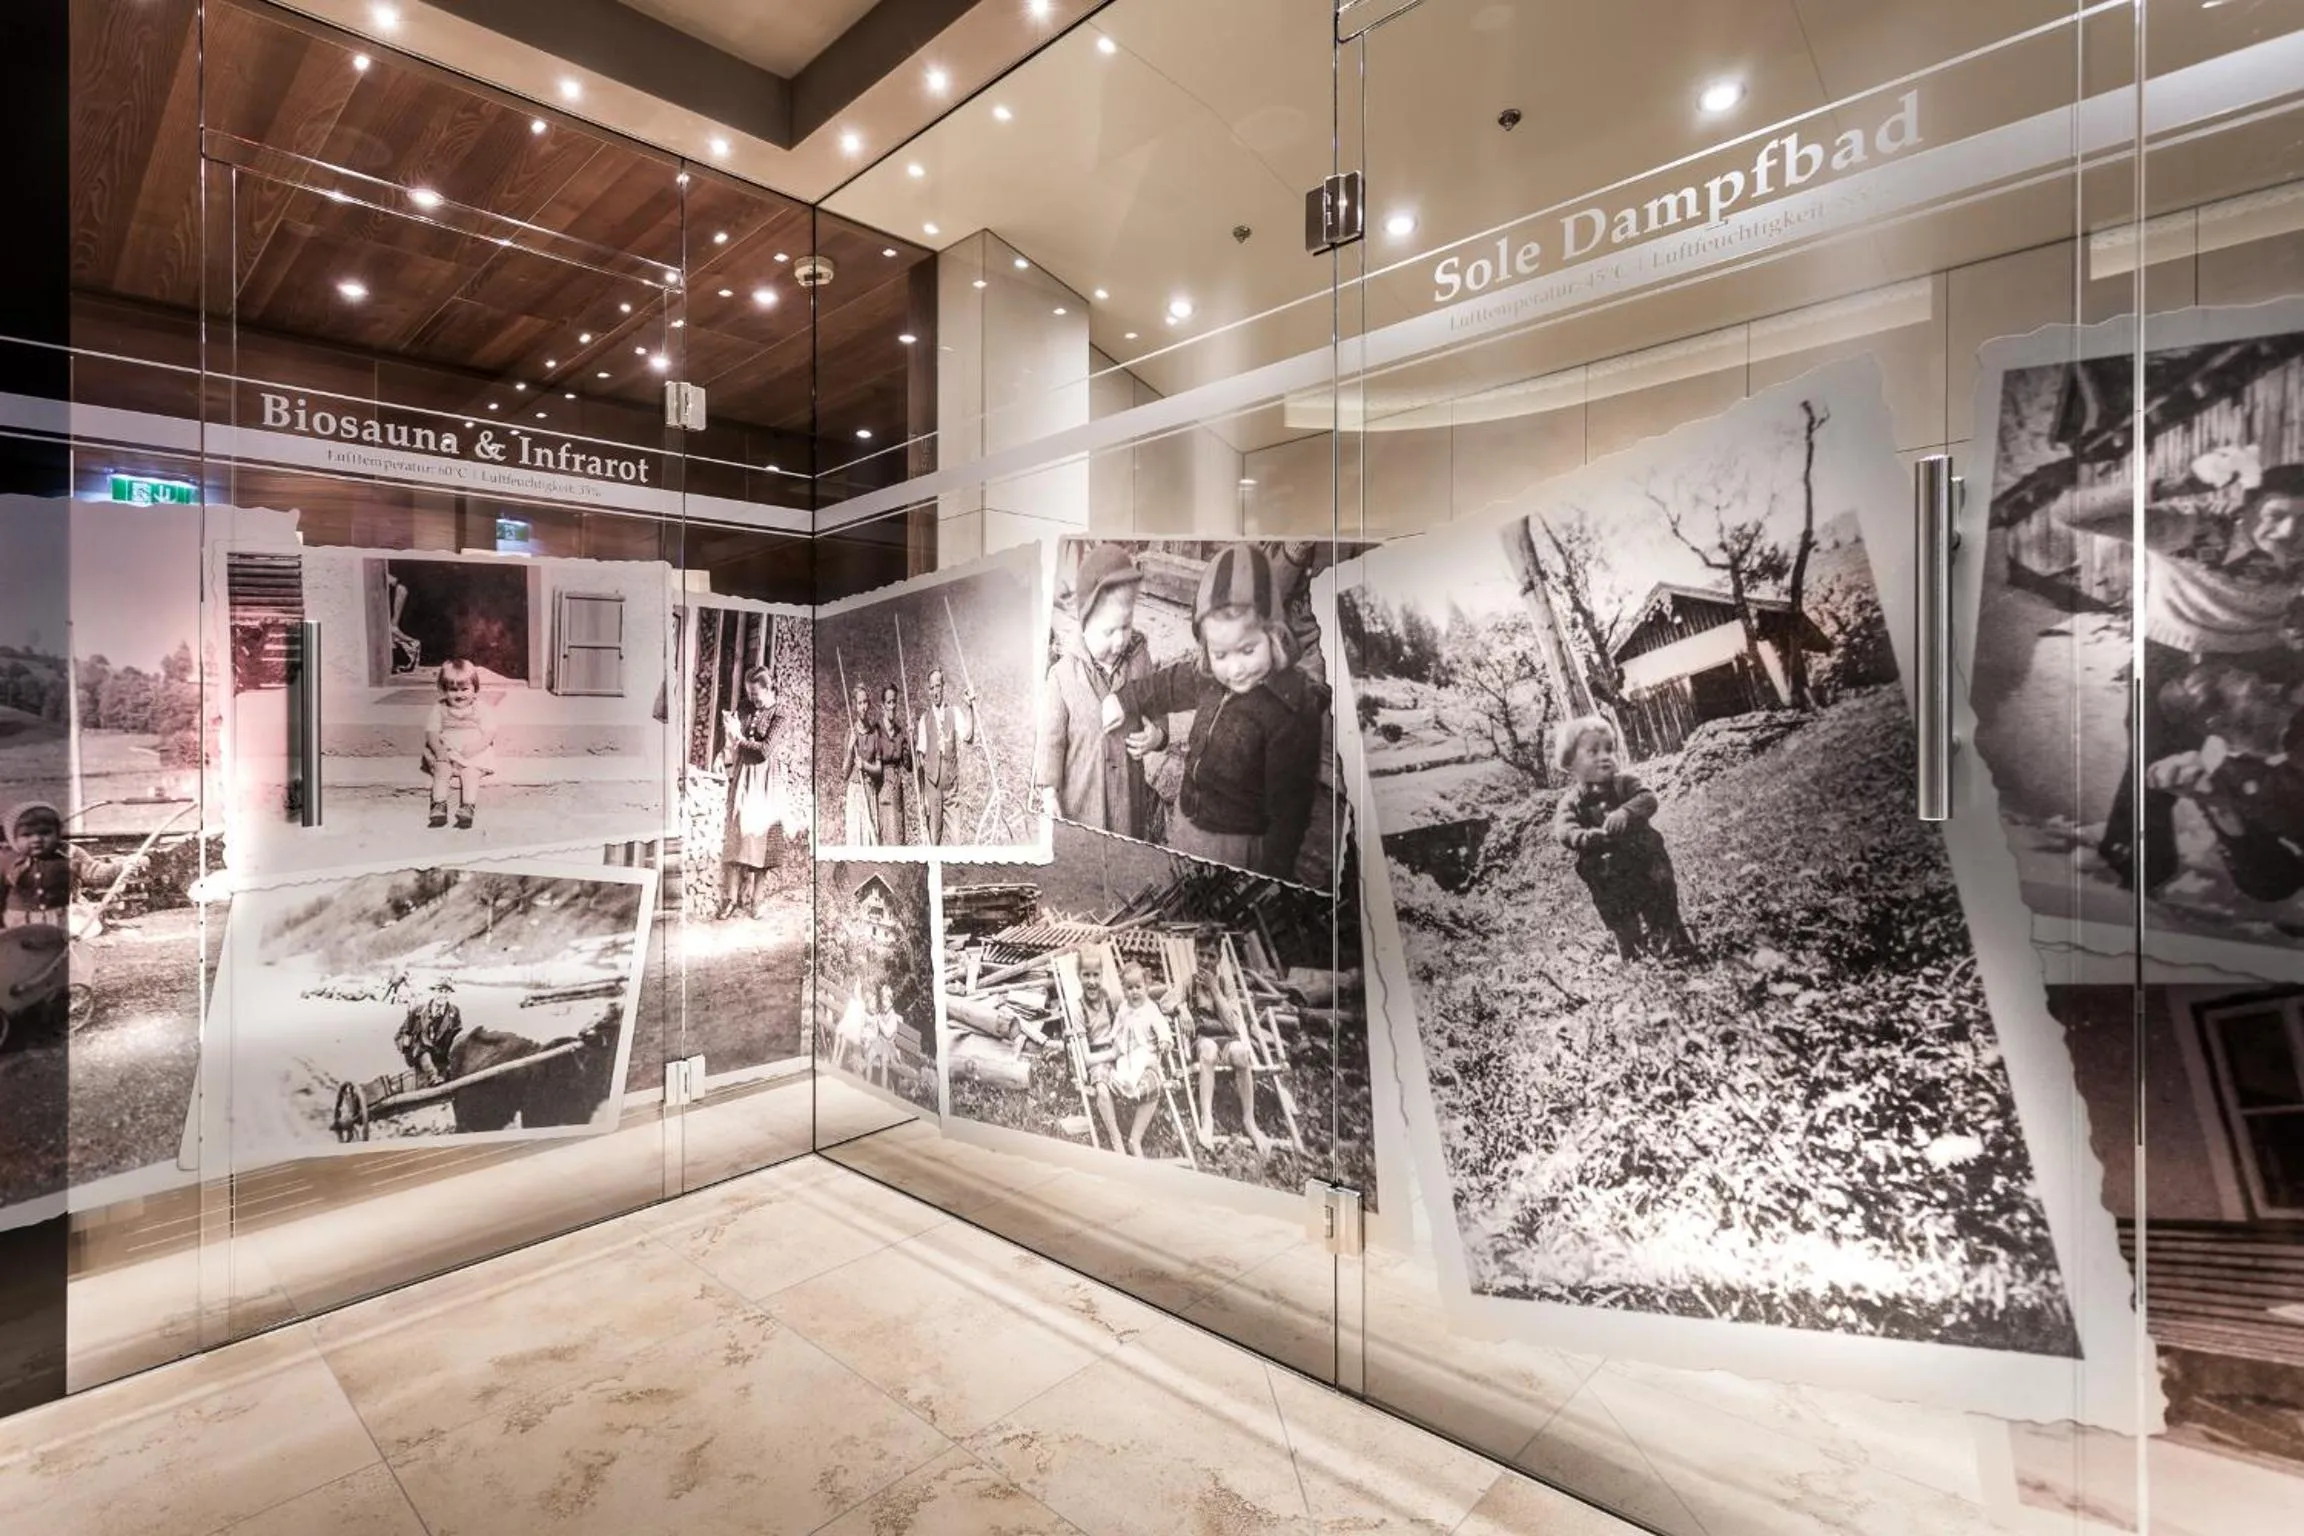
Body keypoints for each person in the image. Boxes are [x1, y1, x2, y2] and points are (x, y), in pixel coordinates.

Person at [2066, 459, 2304, 895]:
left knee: (2270, 759)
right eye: (2276, 515)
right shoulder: (2195, 531)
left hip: (2260, 658)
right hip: (2173, 655)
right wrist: (2181, 480)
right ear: (2247, 509)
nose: (2290, 532)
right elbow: (2072, 513)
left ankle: (2261, 860)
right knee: (2154, 759)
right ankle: (2137, 861)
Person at [1102, 545, 1324, 880]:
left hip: (1237, 844)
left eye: (1248, 650)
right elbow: (1169, 684)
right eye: (1220, 654)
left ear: (1274, 636)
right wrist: (1125, 698)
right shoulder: (1208, 676)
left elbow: (1289, 811)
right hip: (1188, 822)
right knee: (1178, 894)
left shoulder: (1284, 712)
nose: (1235, 669)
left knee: (1217, 914)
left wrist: (1273, 873)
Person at [1039, 544, 1162, 839]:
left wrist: (1157, 735)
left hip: (1128, 805)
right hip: (1083, 803)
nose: (1120, 640)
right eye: (1109, 631)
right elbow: (1050, 741)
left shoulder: (1140, 660)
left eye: (1126, 626)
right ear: (1085, 623)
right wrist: (1049, 794)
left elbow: (1158, 707)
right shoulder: (1062, 676)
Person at [1551, 716, 1695, 962]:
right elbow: (1564, 829)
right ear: (1571, 763)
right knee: (1619, 914)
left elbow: (1648, 799)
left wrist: (1626, 811)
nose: (1604, 756)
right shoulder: (1572, 801)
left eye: (1609, 749)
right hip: (1606, 871)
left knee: (1659, 901)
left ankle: (1674, 946)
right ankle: (1631, 954)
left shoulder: (1625, 783)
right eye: (1593, 751)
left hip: (1645, 860)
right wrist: (1583, 837)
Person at [0, 801, 137, 929]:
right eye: (26, 835)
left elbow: (94, 872)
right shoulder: (7, 861)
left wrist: (122, 867)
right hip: (18, 924)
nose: (37, 839)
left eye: (45, 833)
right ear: (13, 837)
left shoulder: (69, 853)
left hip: (62, 921)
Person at [1176, 968, 1270, 1155]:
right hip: (1204, 1040)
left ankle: (1249, 1120)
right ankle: (1207, 1120)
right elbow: (1165, 1001)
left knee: (1241, 1054)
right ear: (1195, 954)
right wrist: (1182, 1008)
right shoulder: (1188, 982)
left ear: (1218, 958)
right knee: (1209, 1051)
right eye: (1201, 954)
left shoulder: (1227, 986)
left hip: (1228, 1040)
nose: (1206, 961)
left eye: (1211, 956)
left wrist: (1216, 991)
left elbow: (1233, 1024)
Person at [718, 664, 782, 921]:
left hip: (765, 780)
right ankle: (731, 899)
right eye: (749, 694)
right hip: (744, 775)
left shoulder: (780, 715)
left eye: (756, 694)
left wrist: (739, 738)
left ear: (768, 689)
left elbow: (765, 750)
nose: (752, 700)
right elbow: (731, 737)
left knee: (762, 838)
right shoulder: (745, 708)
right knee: (737, 834)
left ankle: (757, 900)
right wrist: (728, 739)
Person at [1093, 964, 1174, 1158]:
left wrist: (1164, 1040)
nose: (1134, 992)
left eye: (1138, 987)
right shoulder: (1123, 1007)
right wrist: (1112, 1037)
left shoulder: (1151, 1009)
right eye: (1129, 988)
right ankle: (1121, 1080)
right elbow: (1117, 1026)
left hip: (1147, 1054)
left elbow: (1162, 1027)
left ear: (1147, 986)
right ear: (1124, 990)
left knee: (1138, 1061)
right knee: (1122, 1064)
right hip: (1125, 1052)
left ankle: (1129, 1085)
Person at [421, 658, 497, 830]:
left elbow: (489, 733)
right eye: (453, 689)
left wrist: (476, 747)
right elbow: (431, 732)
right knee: (441, 771)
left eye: (465, 689)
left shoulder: (481, 708)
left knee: (470, 774)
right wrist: (439, 751)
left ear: (475, 689)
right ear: (444, 690)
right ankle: (439, 804)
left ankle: (468, 807)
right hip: (448, 750)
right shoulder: (440, 708)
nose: (459, 694)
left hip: (473, 751)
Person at [913, 667, 979, 845]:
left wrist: (970, 707)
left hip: (951, 787)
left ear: (943, 687)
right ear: (929, 690)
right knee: (934, 838)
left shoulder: (954, 712)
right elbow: (920, 759)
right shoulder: (924, 720)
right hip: (932, 788)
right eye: (932, 688)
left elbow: (968, 736)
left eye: (938, 686)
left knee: (956, 839)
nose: (935, 691)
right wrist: (923, 797)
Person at [395, 980, 465, 1082]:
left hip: (442, 1054)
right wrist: (405, 1044)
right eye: (440, 991)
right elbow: (402, 1033)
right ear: (434, 992)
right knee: (421, 1048)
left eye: (446, 992)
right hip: (419, 1054)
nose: (443, 995)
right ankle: (432, 1077)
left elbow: (456, 1033)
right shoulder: (418, 1011)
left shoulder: (454, 1012)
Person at [842, 683, 882, 845]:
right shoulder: (850, 733)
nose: (863, 707)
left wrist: (865, 765)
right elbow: (844, 774)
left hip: (869, 789)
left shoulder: (874, 734)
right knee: (855, 837)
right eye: (859, 703)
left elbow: (878, 769)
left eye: (865, 702)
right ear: (854, 706)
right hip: (855, 791)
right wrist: (850, 749)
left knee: (869, 835)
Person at [875, 684, 913, 844]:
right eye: (889, 702)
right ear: (883, 705)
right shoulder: (876, 731)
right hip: (882, 788)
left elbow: (908, 765)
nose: (893, 706)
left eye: (894, 702)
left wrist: (911, 741)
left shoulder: (900, 733)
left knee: (898, 837)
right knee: (884, 836)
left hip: (897, 789)